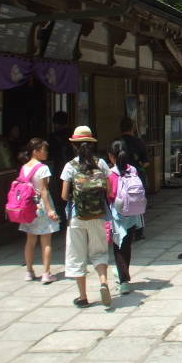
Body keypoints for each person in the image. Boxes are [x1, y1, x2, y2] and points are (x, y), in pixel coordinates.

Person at [60, 126, 113, 308]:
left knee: (76, 255)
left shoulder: (70, 166)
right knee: (99, 252)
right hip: (98, 215)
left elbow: (64, 195)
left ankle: (82, 297)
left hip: (77, 216)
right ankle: (103, 282)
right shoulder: (102, 164)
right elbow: (109, 190)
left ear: (74, 145)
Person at [17, 138, 60, 284]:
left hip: (28, 206)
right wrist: (50, 210)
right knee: (46, 241)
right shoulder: (43, 168)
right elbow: (43, 190)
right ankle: (46, 273)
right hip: (41, 205)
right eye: (44, 149)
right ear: (36, 151)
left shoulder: (24, 167)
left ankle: (29, 271)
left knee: (30, 240)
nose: (46, 152)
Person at [106, 139, 145, 294]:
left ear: (111, 156)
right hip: (133, 213)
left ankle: (123, 281)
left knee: (118, 247)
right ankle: (123, 273)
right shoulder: (133, 170)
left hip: (118, 215)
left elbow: (109, 194)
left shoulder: (110, 173)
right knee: (127, 246)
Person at [120, 116, 149, 240]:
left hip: (120, 176)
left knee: (121, 203)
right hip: (137, 177)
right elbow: (146, 162)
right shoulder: (139, 142)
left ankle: (123, 229)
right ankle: (139, 231)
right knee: (138, 202)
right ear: (133, 128)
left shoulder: (117, 143)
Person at [47, 111, 72, 223]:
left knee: (60, 194)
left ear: (56, 123)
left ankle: (63, 218)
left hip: (59, 168)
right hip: (73, 166)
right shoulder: (72, 134)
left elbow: (50, 154)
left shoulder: (53, 137)